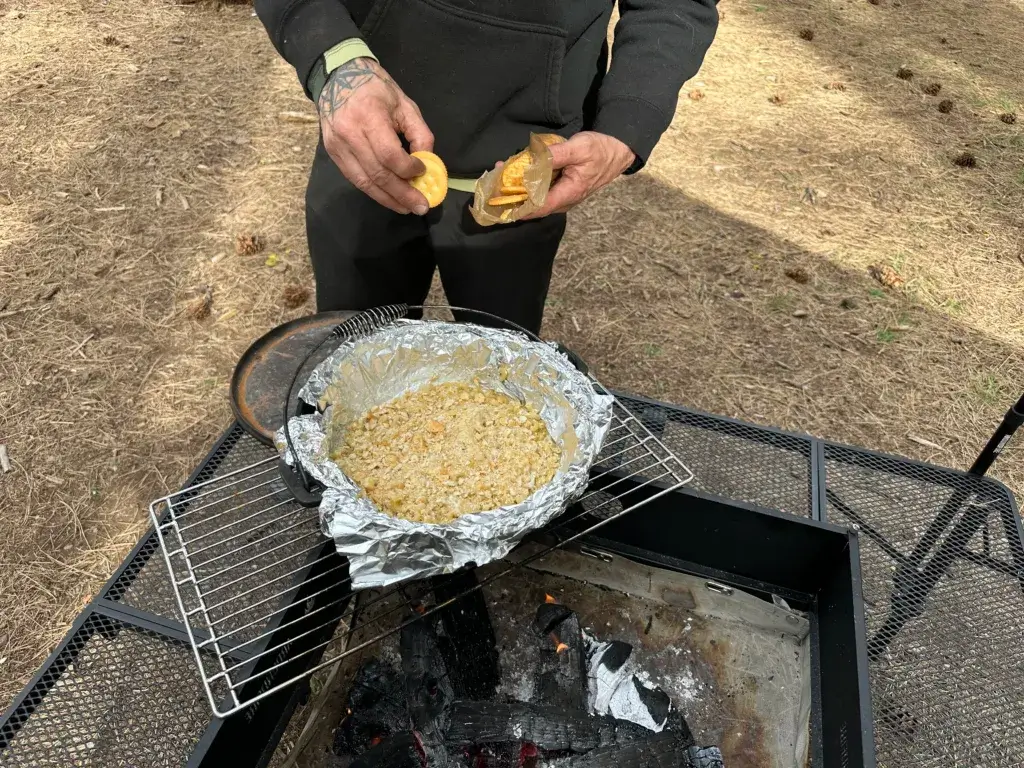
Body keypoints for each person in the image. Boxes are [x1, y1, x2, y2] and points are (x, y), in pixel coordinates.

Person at [255, 0, 718, 335]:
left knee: (501, 379)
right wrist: (335, 60)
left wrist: (626, 127)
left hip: (518, 176)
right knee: (350, 353)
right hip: (369, 141)